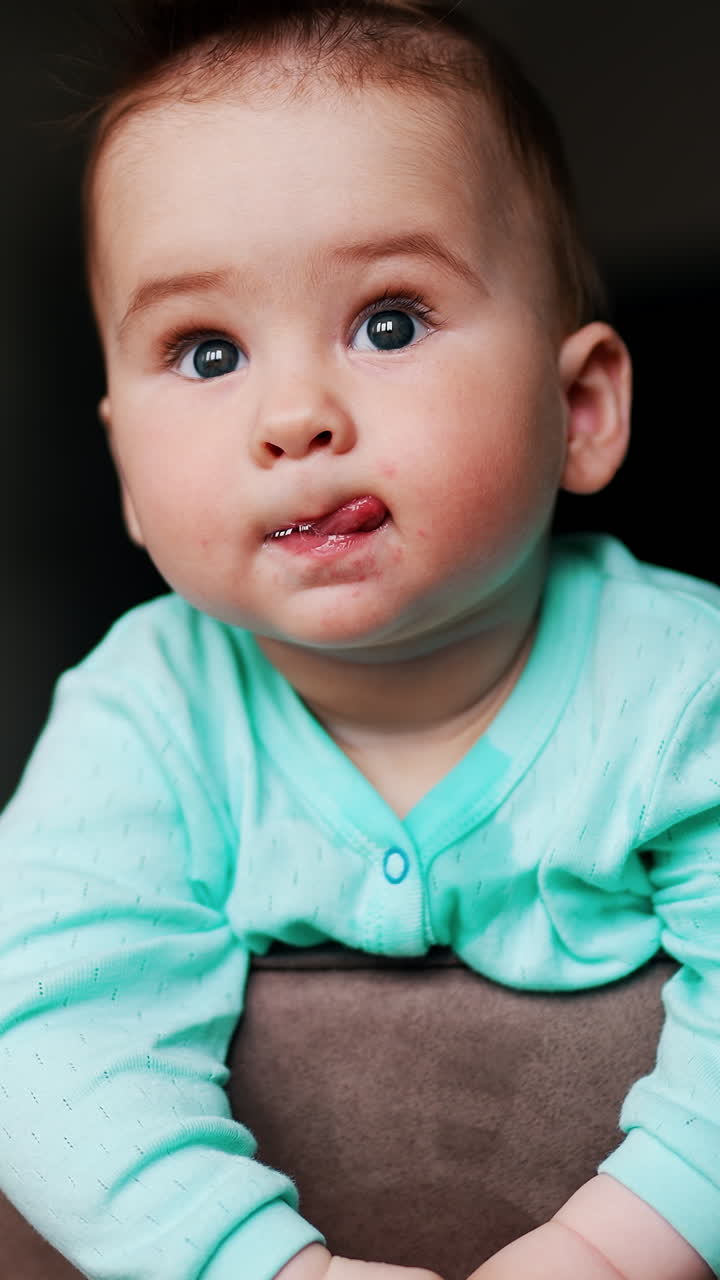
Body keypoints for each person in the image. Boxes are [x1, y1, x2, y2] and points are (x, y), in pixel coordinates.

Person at [0, 0, 718, 1277]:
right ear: (123, 470)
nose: (291, 415)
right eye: (206, 348)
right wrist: (258, 1264)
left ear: (581, 409)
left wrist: (615, 1250)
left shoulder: (678, 685)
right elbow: (48, 1030)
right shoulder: (147, 707)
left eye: (388, 321)